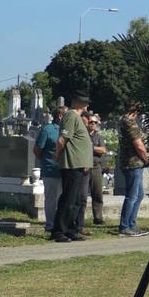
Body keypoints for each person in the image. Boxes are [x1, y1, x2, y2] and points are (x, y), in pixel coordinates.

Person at [52, 92, 93, 242]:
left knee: (76, 201)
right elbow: (62, 139)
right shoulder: (70, 116)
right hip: (72, 164)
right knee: (68, 199)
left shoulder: (78, 117)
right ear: (77, 102)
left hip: (80, 164)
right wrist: (57, 155)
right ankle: (59, 231)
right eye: (85, 101)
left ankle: (70, 230)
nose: (87, 104)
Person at [116, 98, 149, 238]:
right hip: (133, 163)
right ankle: (125, 226)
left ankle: (132, 223)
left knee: (139, 194)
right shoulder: (129, 122)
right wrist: (147, 158)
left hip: (132, 163)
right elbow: (139, 145)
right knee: (132, 196)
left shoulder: (123, 120)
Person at [34, 107, 64, 236]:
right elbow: (37, 149)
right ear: (60, 116)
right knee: (52, 199)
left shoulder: (66, 130)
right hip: (51, 169)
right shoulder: (48, 130)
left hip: (65, 170)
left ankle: (61, 224)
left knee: (62, 199)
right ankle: (50, 224)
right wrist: (47, 161)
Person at [85, 113, 108, 226]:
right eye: (91, 122)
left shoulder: (98, 136)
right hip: (84, 166)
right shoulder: (83, 135)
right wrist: (95, 149)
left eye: (95, 122)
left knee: (97, 193)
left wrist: (91, 147)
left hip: (95, 166)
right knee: (81, 194)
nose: (93, 124)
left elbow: (103, 150)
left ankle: (98, 217)